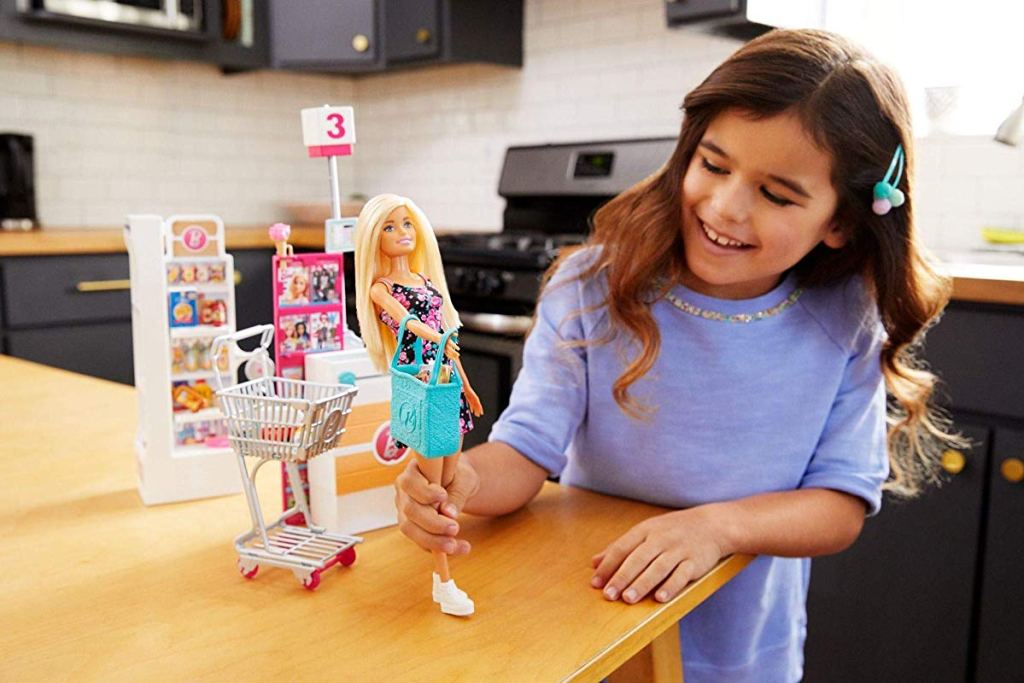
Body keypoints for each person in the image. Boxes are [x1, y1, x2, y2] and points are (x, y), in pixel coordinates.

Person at [394, 28, 961, 681]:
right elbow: (525, 451)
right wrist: (459, 482)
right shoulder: (591, 287)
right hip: (592, 630)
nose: (724, 206)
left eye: (777, 194)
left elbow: (838, 503)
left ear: (841, 220)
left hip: (743, 654)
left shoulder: (843, 320)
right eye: (714, 165)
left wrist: (718, 527)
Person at [354, 193, 485, 617]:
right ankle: (444, 580)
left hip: (447, 385)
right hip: (422, 388)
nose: (401, 233)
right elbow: (410, 325)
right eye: (390, 227)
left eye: (406, 224)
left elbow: (452, 347)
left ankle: (440, 580)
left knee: (447, 485)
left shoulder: (428, 284)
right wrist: (437, 337)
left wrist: (466, 386)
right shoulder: (381, 289)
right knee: (431, 493)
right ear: (375, 239)